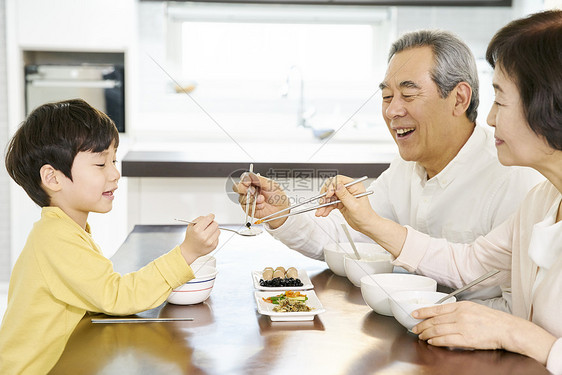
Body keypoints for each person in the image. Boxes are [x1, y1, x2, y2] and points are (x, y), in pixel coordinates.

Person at [317, 10, 562, 373]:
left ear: (548, 104)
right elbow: (466, 264)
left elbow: (514, 323)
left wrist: (522, 336)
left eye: (501, 100)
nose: (490, 118)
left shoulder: (518, 185)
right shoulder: (542, 202)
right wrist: (369, 222)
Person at [234, 30, 543, 310]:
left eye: (408, 95)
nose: (393, 110)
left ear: (459, 99)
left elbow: (520, 307)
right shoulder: (405, 169)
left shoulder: (515, 176)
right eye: (386, 96)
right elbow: (345, 241)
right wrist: (282, 211)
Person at [0, 99, 220, 374]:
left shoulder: (63, 230)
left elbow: (101, 294)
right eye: (101, 163)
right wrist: (187, 252)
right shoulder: (55, 238)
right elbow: (117, 297)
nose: (115, 174)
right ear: (53, 179)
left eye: (113, 160)